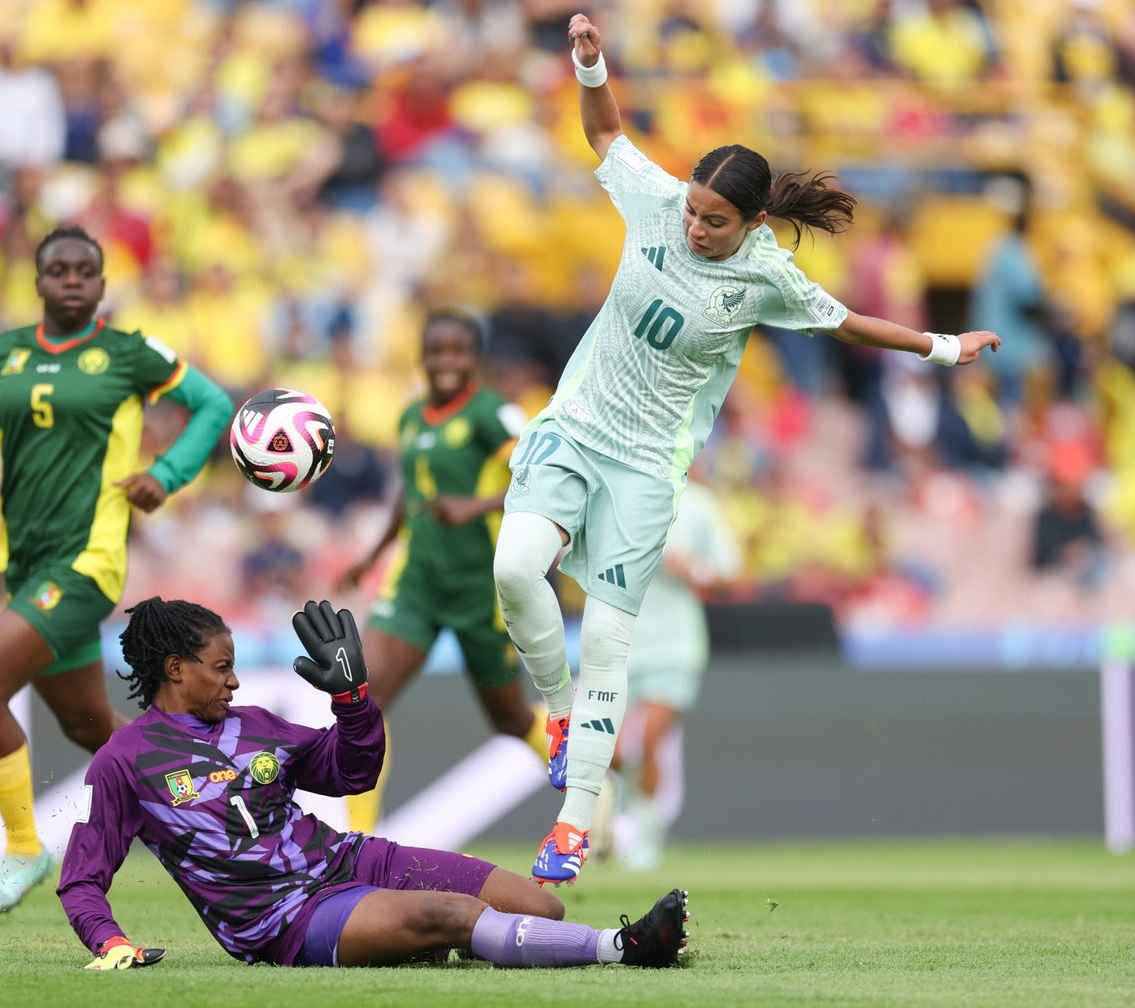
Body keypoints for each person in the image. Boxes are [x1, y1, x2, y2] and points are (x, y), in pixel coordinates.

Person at [493, 13, 1002, 885]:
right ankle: (561, 711)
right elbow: (608, 130)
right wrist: (591, 64)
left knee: (611, 637)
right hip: (575, 428)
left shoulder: (765, 274)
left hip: (649, 468)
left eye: (715, 221)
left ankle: (577, 824)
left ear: (753, 221)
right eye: (693, 210)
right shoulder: (656, 200)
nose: (695, 228)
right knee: (513, 570)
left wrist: (942, 346)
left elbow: (847, 324)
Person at [57, 597, 690, 970]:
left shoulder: (255, 725)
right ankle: (627, 947)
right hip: (286, 918)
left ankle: (431, 938)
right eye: (222, 669)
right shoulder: (124, 760)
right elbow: (83, 876)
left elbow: (349, 771)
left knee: (541, 907)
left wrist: (352, 699)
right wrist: (110, 941)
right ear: (174, 668)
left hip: (354, 860)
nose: (235, 682)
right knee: (453, 912)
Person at [0, 226, 232, 916]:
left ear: (103, 285)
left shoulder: (127, 352)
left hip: (86, 562)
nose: (72, 279)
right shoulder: (5, 355)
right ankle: (208, 805)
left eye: (86, 270)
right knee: (90, 729)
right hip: (28, 564)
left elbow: (213, 405)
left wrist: (165, 476)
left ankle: (23, 846)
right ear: (39, 281)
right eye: (58, 269)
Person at [339, 311, 545, 832]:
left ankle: (600, 788)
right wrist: (371, 556)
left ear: (475, 359)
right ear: (422, 357)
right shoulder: (410, 417)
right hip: (417, 583)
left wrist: (476, 507)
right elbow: (410, 495)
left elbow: (540, 475)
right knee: (364, 700)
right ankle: (358, 842)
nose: (445, 362)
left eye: (457, 351)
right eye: (436, 351)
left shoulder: (493, 414)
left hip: (479, 585)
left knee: (511, 720)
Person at [602, 478, 740, 870]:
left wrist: (692, 568)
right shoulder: (620, 493)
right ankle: (617, 820)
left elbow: (731, 571)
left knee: (648, 741)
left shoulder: (699, 503)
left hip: (675, 644)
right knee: (610, 751)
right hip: (619, 637)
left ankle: (646, 838)